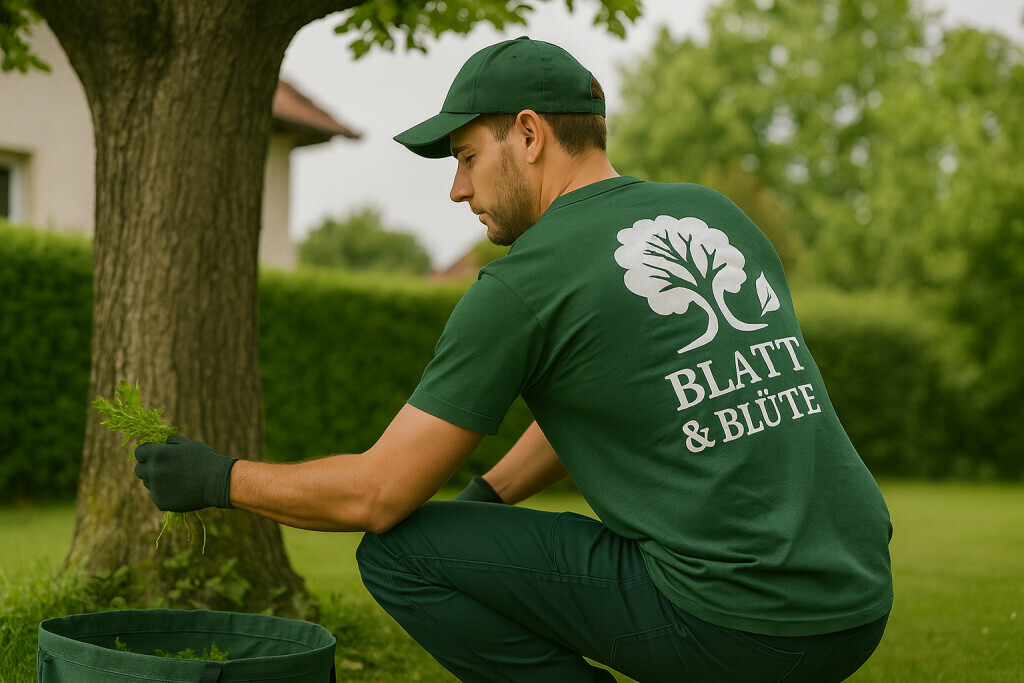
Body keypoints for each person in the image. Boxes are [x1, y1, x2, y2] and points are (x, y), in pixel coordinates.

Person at [135, 37, 893, 682]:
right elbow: (616, 398)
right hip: (857, 601)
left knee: (396, 554)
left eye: (466, 155)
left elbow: (376, 495)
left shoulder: (525, 284)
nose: (459, 189)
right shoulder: (714, 214)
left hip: (740, 625)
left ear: (528, 135)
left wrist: (215, 477)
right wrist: (488, 500)